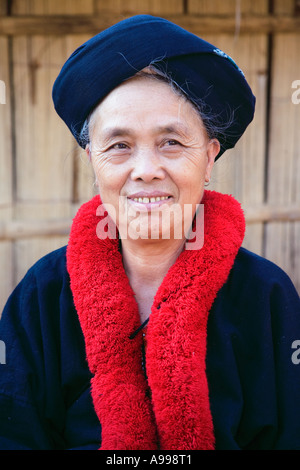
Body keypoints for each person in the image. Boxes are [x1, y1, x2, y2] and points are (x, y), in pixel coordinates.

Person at [0, 15, 299, 451]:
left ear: (210, 157)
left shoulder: (266, 294)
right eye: (119, 145)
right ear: (92, 160)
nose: (145, 171)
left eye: (172, 142)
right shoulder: (42, 295)